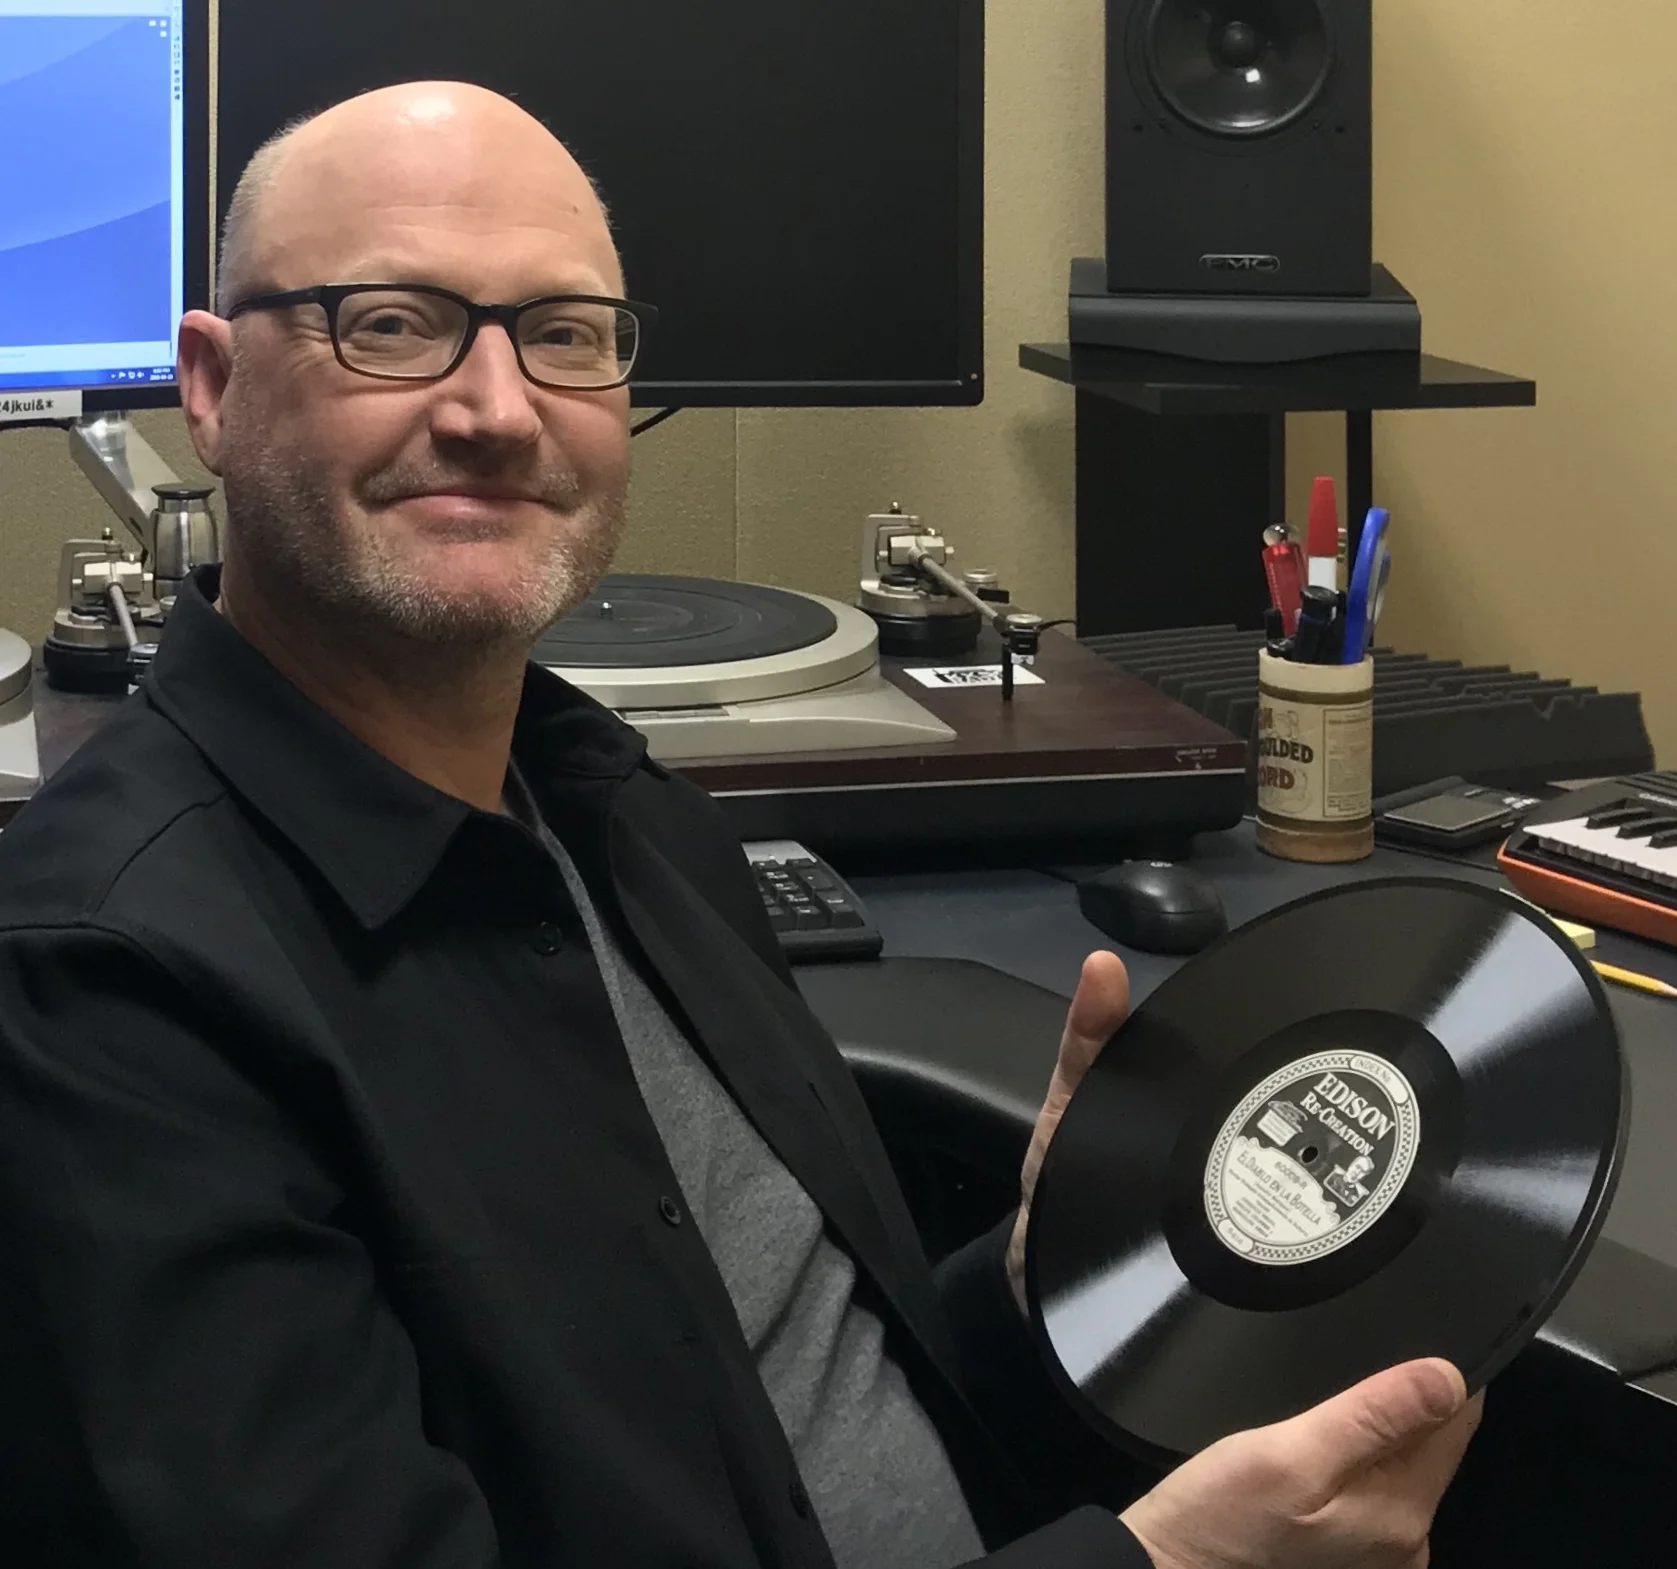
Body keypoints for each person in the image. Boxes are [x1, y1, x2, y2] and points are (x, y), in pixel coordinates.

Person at [0, 82, 1478, 1569]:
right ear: (208, 384)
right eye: (390, 323)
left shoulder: (617, 815)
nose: (497, 410)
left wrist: (1030, 1293)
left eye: (565, 335)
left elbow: (784, 1397)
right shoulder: (101, 995)